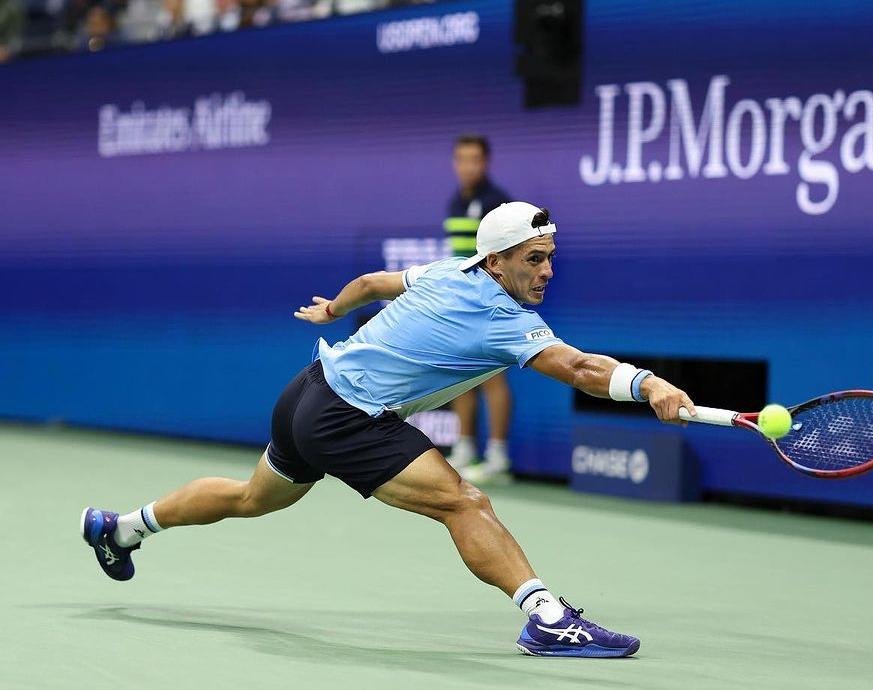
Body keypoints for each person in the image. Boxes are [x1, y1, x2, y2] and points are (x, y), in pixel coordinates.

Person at [80, 201, 697, 658]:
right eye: (534, 260)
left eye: (550, 259)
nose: (546, 272)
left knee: (252, 497)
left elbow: (373, 284)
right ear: (500, 261)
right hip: (348, 416)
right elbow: (581, 368)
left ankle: (122, 527)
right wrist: (649, 384)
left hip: (309, 388)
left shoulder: (451, 271)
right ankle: (545, 618)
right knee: (463, 501)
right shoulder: (503, 320)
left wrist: (331, 311)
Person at [444, 135, 514, 480]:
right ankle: (465, 448)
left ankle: (498, 456)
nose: (466, 166)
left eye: (473, 159)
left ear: (485, 162)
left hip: (490, 300)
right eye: (460, 159)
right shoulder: (455, 202)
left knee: (491, 376)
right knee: (461, 374)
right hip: (462, 300)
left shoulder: (497, 204)